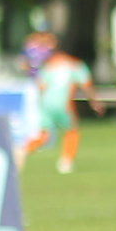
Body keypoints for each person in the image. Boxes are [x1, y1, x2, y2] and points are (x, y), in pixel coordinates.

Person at [32, 35, 93, 175]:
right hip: (63, 104)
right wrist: (94, 101)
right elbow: (87, 83)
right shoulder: (74, 64)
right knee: (72, 131)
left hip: (46, 103)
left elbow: (41, 86)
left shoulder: (49, 65)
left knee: (43, 135)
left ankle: (22, 150)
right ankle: (66, 161)